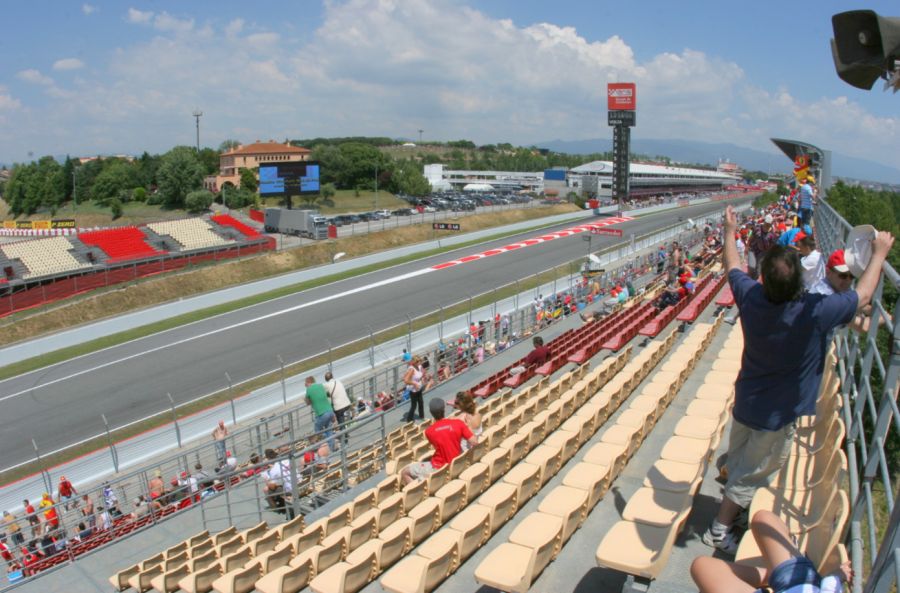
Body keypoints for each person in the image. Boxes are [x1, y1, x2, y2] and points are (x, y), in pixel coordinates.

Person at [702, 205, 894, 554]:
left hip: (747, 399)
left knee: (741, 457)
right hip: (777, 413)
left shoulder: (751, 296)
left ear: (764, 278)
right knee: (754, 471)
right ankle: (719, 528)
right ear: (799, 282)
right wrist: (879, 254)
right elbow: (863, 295)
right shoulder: (814, 312)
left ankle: (731, 499)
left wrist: (729, 230)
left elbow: (732, 266)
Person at [691, 510, 852, 593]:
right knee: (763, 519)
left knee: (702, 565)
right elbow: (829, 585)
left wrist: (836, 576)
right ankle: (774, 570)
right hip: (799, 583)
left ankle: (771, 573)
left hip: (798, 583)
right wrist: (837, 576)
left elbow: (829, 583)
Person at [401, 398, 478, 485]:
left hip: (439, 467)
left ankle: (418, 489)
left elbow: (439, 446)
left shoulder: (429, 431)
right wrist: (469, 426)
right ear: (444, 409)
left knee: (405, 472)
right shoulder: (458, 423)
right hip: (457, 464)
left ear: (431, 412)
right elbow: (474, 442)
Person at [305, 375, 336, 451]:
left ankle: (322, 449)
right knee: (328, 430)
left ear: (308, 382)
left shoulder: (309, 389)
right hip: (329, 410)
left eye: (305, 383)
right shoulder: (321, 386)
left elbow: (307, 402)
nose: (305, 385)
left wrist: (306, 398)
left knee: (317, 431)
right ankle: (331, 447)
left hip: (321, 413)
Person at [402, 357, 425, 422]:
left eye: (420, 361)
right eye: (419, 361)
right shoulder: (412, 369)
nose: (420, 362)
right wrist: (414, 384)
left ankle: (422, 417)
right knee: (414, 406)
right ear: (415, 362)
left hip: (419, 388)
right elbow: (405, 380)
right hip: (414, 390)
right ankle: (409, 420)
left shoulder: (419, 366)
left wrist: (422, 378)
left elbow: (422, 372)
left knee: (421, 403)